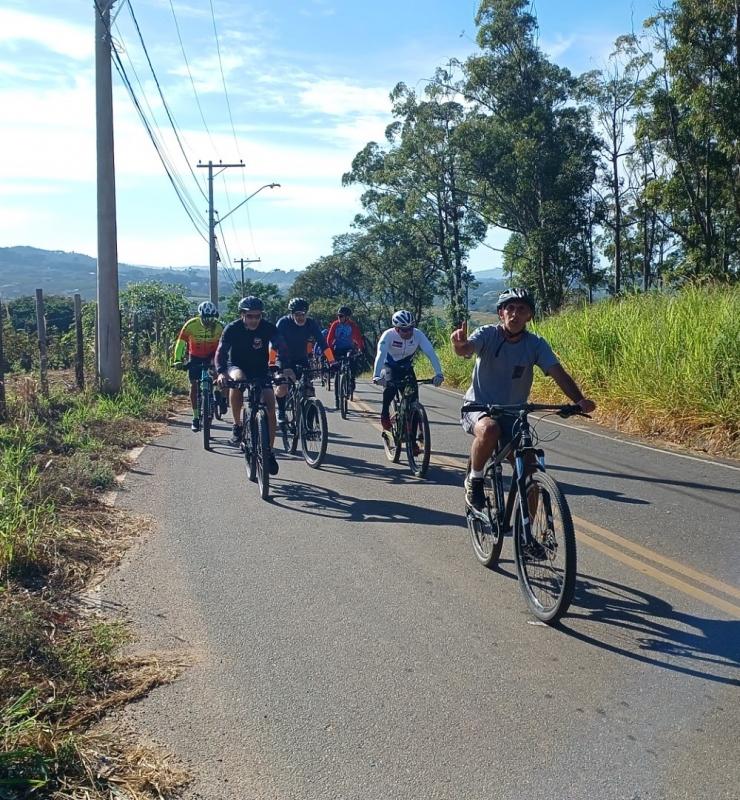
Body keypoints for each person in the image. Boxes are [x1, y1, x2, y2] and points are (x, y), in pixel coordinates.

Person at [451, 287, 596, 511]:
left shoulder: (535, 344)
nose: (515, 314)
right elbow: (467, 349)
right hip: (479, 407)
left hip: (513, 413)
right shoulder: (487, 334)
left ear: (529, 315)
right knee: (489, 430)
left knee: (530, 467)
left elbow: (558, 373)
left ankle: (530, 539)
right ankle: (475, 479)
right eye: (510, 308)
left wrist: (579, 400)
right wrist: (459, 345)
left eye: (522, 309)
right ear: (501, 313)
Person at [214, 296, 288, 474]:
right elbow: (221, 351)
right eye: (250, 316)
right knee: (238, 381)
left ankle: (269, 452)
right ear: (242, 315)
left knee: (270, 405)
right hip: (237, 366)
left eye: (257, 316)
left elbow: (281, 347)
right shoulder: (232, 328)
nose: (254, 320)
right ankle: (238, 424)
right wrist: (221, 372)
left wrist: (281, 370)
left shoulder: (268, 328)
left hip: (260, 369)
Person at [371, 310, 444, 430]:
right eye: (404, 330)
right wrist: (376, 375)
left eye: (411, 328)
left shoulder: (418, 334)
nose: (409, 332)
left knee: (413, 403)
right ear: (397, 329)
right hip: (389, 365)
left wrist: (439, 374)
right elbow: (381, 354)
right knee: (391, 387)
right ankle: (384, 414)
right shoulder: (388, 335)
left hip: (406, 367)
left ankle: (414, 442)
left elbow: (430, 353)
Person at [274, 297, 336, 424]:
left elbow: (323, 343)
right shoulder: (283, 323)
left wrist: (332, 361)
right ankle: (281, 410)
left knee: (309, 390)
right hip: (284, 359)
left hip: (301, 358)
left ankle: (308, 425)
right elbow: (273, 345)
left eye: (303, 314)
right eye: (297, 314)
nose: (301, 317)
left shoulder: (310, 323)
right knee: (283, 385)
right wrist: (272, 363)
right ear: (291, 314)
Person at [172, 301, 225, 432]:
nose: (208, 321)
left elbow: (225, 345)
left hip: (212, 354)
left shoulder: (219, 326)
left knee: (219, 374)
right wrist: (177, 360)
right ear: (200, 316)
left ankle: (219, 394)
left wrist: (225, 360)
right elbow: (180, 342)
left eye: (211, 318)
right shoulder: (191, 325)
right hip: (195, 356)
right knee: (194, 386)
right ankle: (195, 417)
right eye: (205, 318)